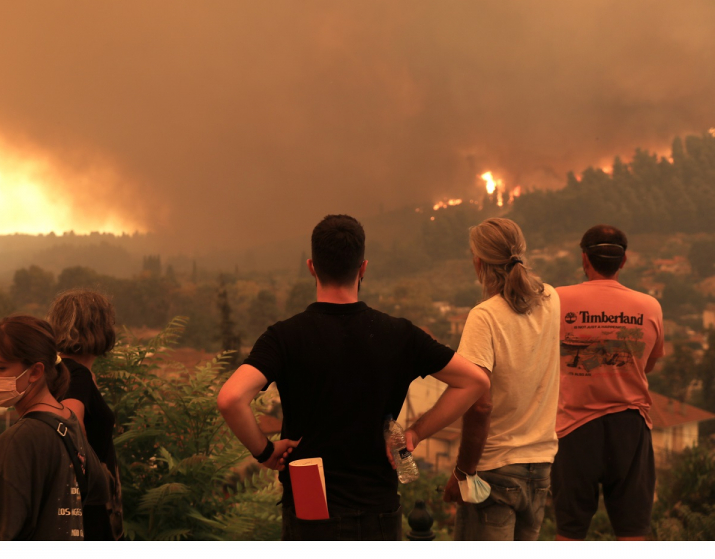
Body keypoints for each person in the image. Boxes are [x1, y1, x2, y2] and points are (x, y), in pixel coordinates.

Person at [217, 214, 489, 541]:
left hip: (309, 509)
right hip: (378, 510)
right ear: (363, 268)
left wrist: (265, 452)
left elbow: (231, 398)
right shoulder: (400, 334)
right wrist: (416, 432)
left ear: (311, 267)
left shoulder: (284, 337)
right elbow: (475, 381)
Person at [0, 315, 108, 540]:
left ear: (36, 372)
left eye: (0, 367)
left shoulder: (20, 438)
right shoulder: (68, 420)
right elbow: (98, 488)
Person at [442, 218, 560, 541]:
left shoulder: (484, 317)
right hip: (540, 468)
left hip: (494, 472)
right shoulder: (551, 300)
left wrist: (463, 473)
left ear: (478, 262)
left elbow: (479, 406)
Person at [552, 225, 664, 541]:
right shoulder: (650, 306)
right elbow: (650, 363)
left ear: (584, 259)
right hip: (630, 427)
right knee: (632, 532)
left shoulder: (557, 300)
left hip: (573, 428)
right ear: (623, 260)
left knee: (569, 533)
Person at [47, 288, 124, 540]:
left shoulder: (61, 371)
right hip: (87, 510)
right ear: (100, 328)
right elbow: (68, 425)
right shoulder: (76, 375)